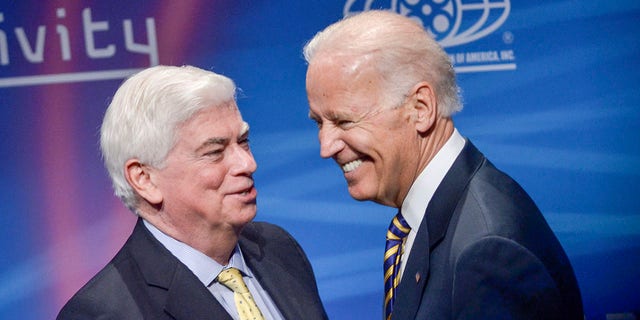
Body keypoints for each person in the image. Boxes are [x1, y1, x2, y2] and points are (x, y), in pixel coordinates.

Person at [303, 10, 583, 320]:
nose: (326, 147)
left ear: (420, 108)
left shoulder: (487, 250)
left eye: (344, 120)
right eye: (319, 122)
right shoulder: (435, 213)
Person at [57, 65, 328, 320]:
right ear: (144, 179)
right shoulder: (104, 313)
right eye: (214, 152)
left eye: (243, 142)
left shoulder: (278, 248)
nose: (248, 163)